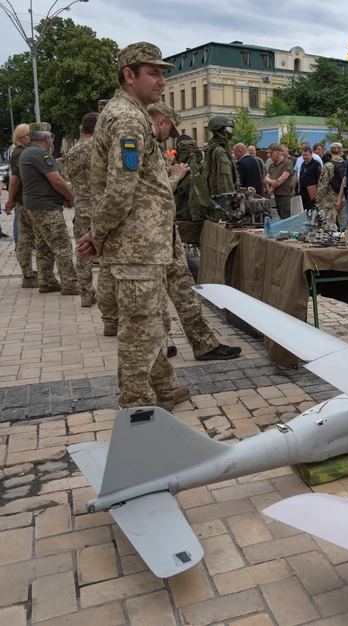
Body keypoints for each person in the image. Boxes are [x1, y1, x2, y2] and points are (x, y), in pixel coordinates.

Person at [75, 42, 189, 411]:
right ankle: (137, 406)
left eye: (163, 73)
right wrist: (97, 235)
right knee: (140, 328)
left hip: (143, 243)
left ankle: (166, 388)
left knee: (151, 320)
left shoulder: (132, 113)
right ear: (129, 75)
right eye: (153, 73)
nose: (162, 81)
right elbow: (121, 188)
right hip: (135, 244)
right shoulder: (127, 118)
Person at [148, 102, 243, 363]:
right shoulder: (141, 144)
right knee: (152, 295)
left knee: (184, 290)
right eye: (170, 129)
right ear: (161, 122)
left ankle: (204, 344)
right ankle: (159, 343)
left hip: (166, 230)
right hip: (149, 236)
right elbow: (147, 192)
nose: (171, 137)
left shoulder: (155, 148)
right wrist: (175, 177)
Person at [18, 122, 80, 296]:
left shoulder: (27, 153)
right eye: (51, 137)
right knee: (62, 245)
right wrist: (71, 196)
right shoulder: (40, 154)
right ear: (47, 138)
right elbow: (57, 181)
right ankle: (70, 283)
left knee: (44, 244)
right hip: (46, 207)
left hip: (34, 205)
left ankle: (47, 280)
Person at [3, 123, 51, 288]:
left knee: (29, 237)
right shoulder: (19, 153)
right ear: (21, 136)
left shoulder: (23, 152)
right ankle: (29, 275)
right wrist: (10, 201)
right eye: (28, 134)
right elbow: (15, 180)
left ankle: (33, 274)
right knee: (26, 239)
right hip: (24, 200)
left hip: (27, 199)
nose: (31, 136)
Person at [63, 112, 100, 307]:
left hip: (82, 205)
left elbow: (67, 176)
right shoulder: (101, 147)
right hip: (102, 206)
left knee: (83, 251)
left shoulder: (73, 151)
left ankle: (86, 294)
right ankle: (108, 297)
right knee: (108, 251)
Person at [205, 114, 239, 197]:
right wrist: (230, 199)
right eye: (228, 129)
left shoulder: (211, 148)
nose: (230, 132)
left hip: (214, 195)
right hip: (223, 199)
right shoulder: (220, 151)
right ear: (221, 130)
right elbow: (224, 179)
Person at [316, 142, 345, 227]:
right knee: (343, 224)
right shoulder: (347, 164)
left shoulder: (328, 166)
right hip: (344, 198)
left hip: (331, 199)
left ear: (330, 152)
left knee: (330, 224)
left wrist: (318, 199)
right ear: (341, 152)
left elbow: (323, 185)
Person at [265, 143, 293, 219]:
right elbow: (266, 178)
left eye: (271, 153)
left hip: (284, 196)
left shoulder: (287, 163)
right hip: (274, 196)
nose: (269, 155)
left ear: (278, 152)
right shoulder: (272, 165)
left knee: (285, 217)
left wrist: (273, 183)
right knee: (275, 218)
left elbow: (283, 178)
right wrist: (272, 183)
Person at [298, 145, 321, 215]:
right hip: (303, 191)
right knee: (303, 209)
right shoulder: (303, 164)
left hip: (311, 192)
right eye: (303, 155)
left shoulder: (316, 164)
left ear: (311, 154)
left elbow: (320, 178)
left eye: (306, 155)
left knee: (310, 210)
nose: (305, 157)